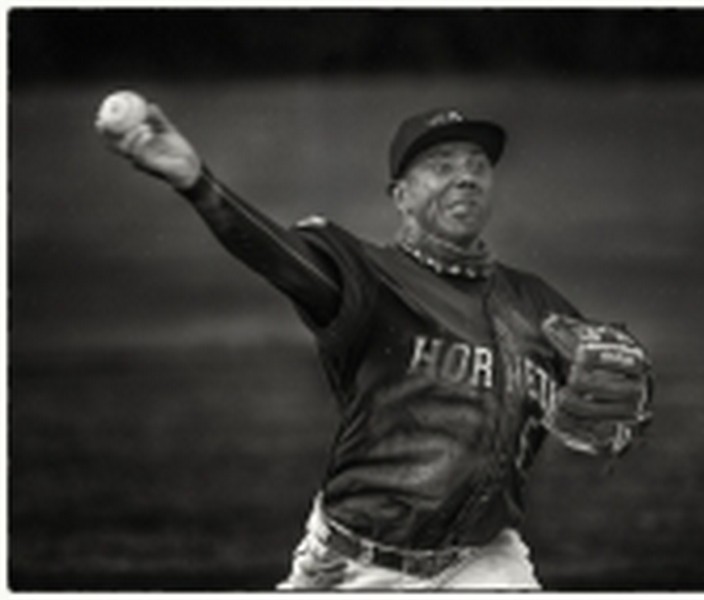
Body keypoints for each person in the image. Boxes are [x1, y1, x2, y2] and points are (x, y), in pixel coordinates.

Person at [98, 101, 652, 590]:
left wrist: (632, 409)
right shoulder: (367, 276)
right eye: (442, 166)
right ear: (400, 195)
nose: (466, 177)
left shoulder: (536, 302)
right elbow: (279, 257)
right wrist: (199, 185)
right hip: (352, 568)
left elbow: (616, 392)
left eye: (478, 166)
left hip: (484, 564)